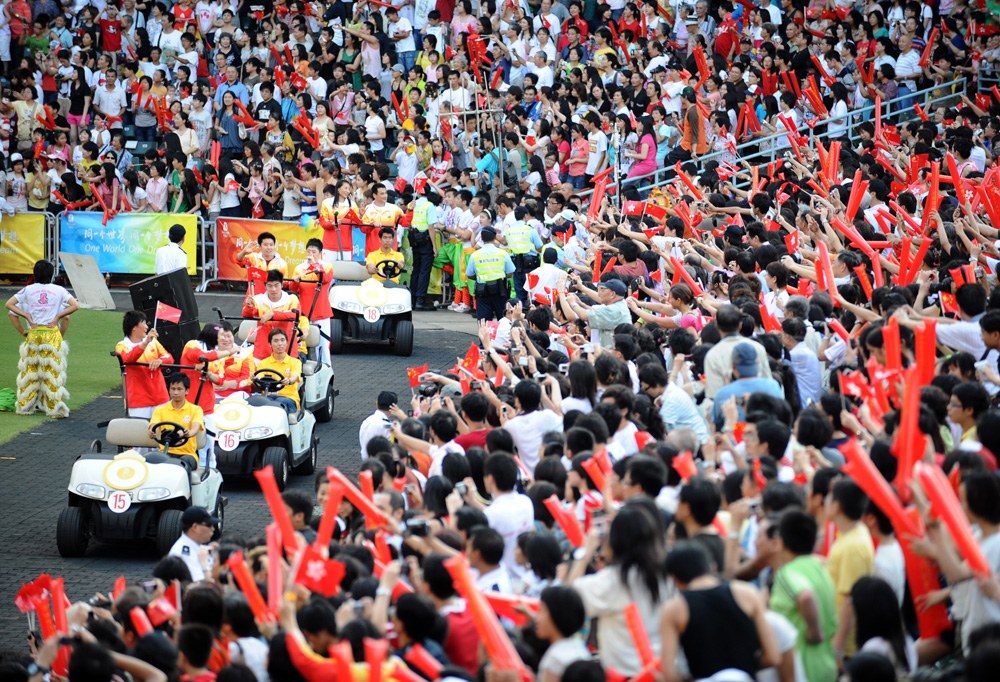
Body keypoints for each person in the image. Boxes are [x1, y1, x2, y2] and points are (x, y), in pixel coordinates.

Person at [660, 540, 780, 681]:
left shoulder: (674, 609)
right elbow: (773, 656)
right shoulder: (747, 594)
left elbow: (669, 674)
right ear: (712, 566)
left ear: (674, 579)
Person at [6, 260, 79, 418]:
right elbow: (75, 306)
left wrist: (27, 316)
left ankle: (25, 406)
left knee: (30, 370)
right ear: (51, 275)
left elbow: (9, 305)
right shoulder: (59, 290)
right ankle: (53, 408)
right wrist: (59, 316)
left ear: (34, 274)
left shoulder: (28, 289)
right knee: (51, 372)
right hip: (51, 332)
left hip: (34, 332)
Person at [115, 310, 173, 419]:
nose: (147, 327)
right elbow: (128, 358)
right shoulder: (122, 346)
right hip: (139, 401)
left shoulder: (154, 342)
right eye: (144, 323)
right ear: (134, 328)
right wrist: (145, 342)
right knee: (140, 434)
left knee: (164, 432)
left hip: (160, 397)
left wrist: (160, 361)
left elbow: (169, 358)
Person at [242, 269, 308, 361]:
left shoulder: (291, 299)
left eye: (276, 285)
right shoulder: (258, 299)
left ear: (282, 284)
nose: (273, 289)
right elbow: (246, 314)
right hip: (263, 351)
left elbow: (295, 314)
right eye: (270, 286)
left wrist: (273, 314)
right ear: (265, 286)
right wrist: (249, 307)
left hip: (286, 351)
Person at [289, 238, 335, 366]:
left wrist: (315, 265)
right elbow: (293, 289)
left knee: (323, 346)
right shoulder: (299, 268)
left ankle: (326, 372)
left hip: (322, 312)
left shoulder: (326, 266)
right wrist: (295, 281)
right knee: (301, 344)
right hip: (304, 313)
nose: (310, 254)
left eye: (314, 252)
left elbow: (325, 279)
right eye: (308, 251)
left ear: (320, 253)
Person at [149, 372, 204, 471]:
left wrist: (189, 433)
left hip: (188, 454)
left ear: (186, 391)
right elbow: (154, 426)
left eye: (179, 389)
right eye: (173, 389)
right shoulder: (160, 410)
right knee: (150, 461)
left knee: (180, 465)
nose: (175, 392)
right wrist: (152, 433)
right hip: (165, 452)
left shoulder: (196, 410)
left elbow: (195, 427)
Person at [466, 226, 515, 321]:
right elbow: (510, 272)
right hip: (500, 291)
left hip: (482, 291)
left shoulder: (475, 255)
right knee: (504, 320)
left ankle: (484, 336)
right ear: (495, 237)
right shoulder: (502, 253)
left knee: (484, 322)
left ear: (482, 238)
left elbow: (469, 274)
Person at [254, 328, 302, 414]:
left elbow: (295, 376)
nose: (280, 344)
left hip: (288, 397)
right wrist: (256, 378)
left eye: (282, 340)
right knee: (255, 404)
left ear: (287, 343)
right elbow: (260, 375)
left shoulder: (295, 362)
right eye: (276, 341)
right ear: (270, 344)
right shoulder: (263, 363)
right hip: (268, 396)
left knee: (278, 403)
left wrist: (289, 380)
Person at [167, 507, 218, 580]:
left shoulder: (194, 545)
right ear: (195, 527)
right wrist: (206, 565)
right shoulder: (183, 553)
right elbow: (202, 585)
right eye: (209, 525)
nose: (213, 529)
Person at [359, 391, 407, 460]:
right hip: (383, 463)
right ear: (394, 407)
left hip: (367, 461)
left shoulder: (366, 421)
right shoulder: (388, 426)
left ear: (377, 404)